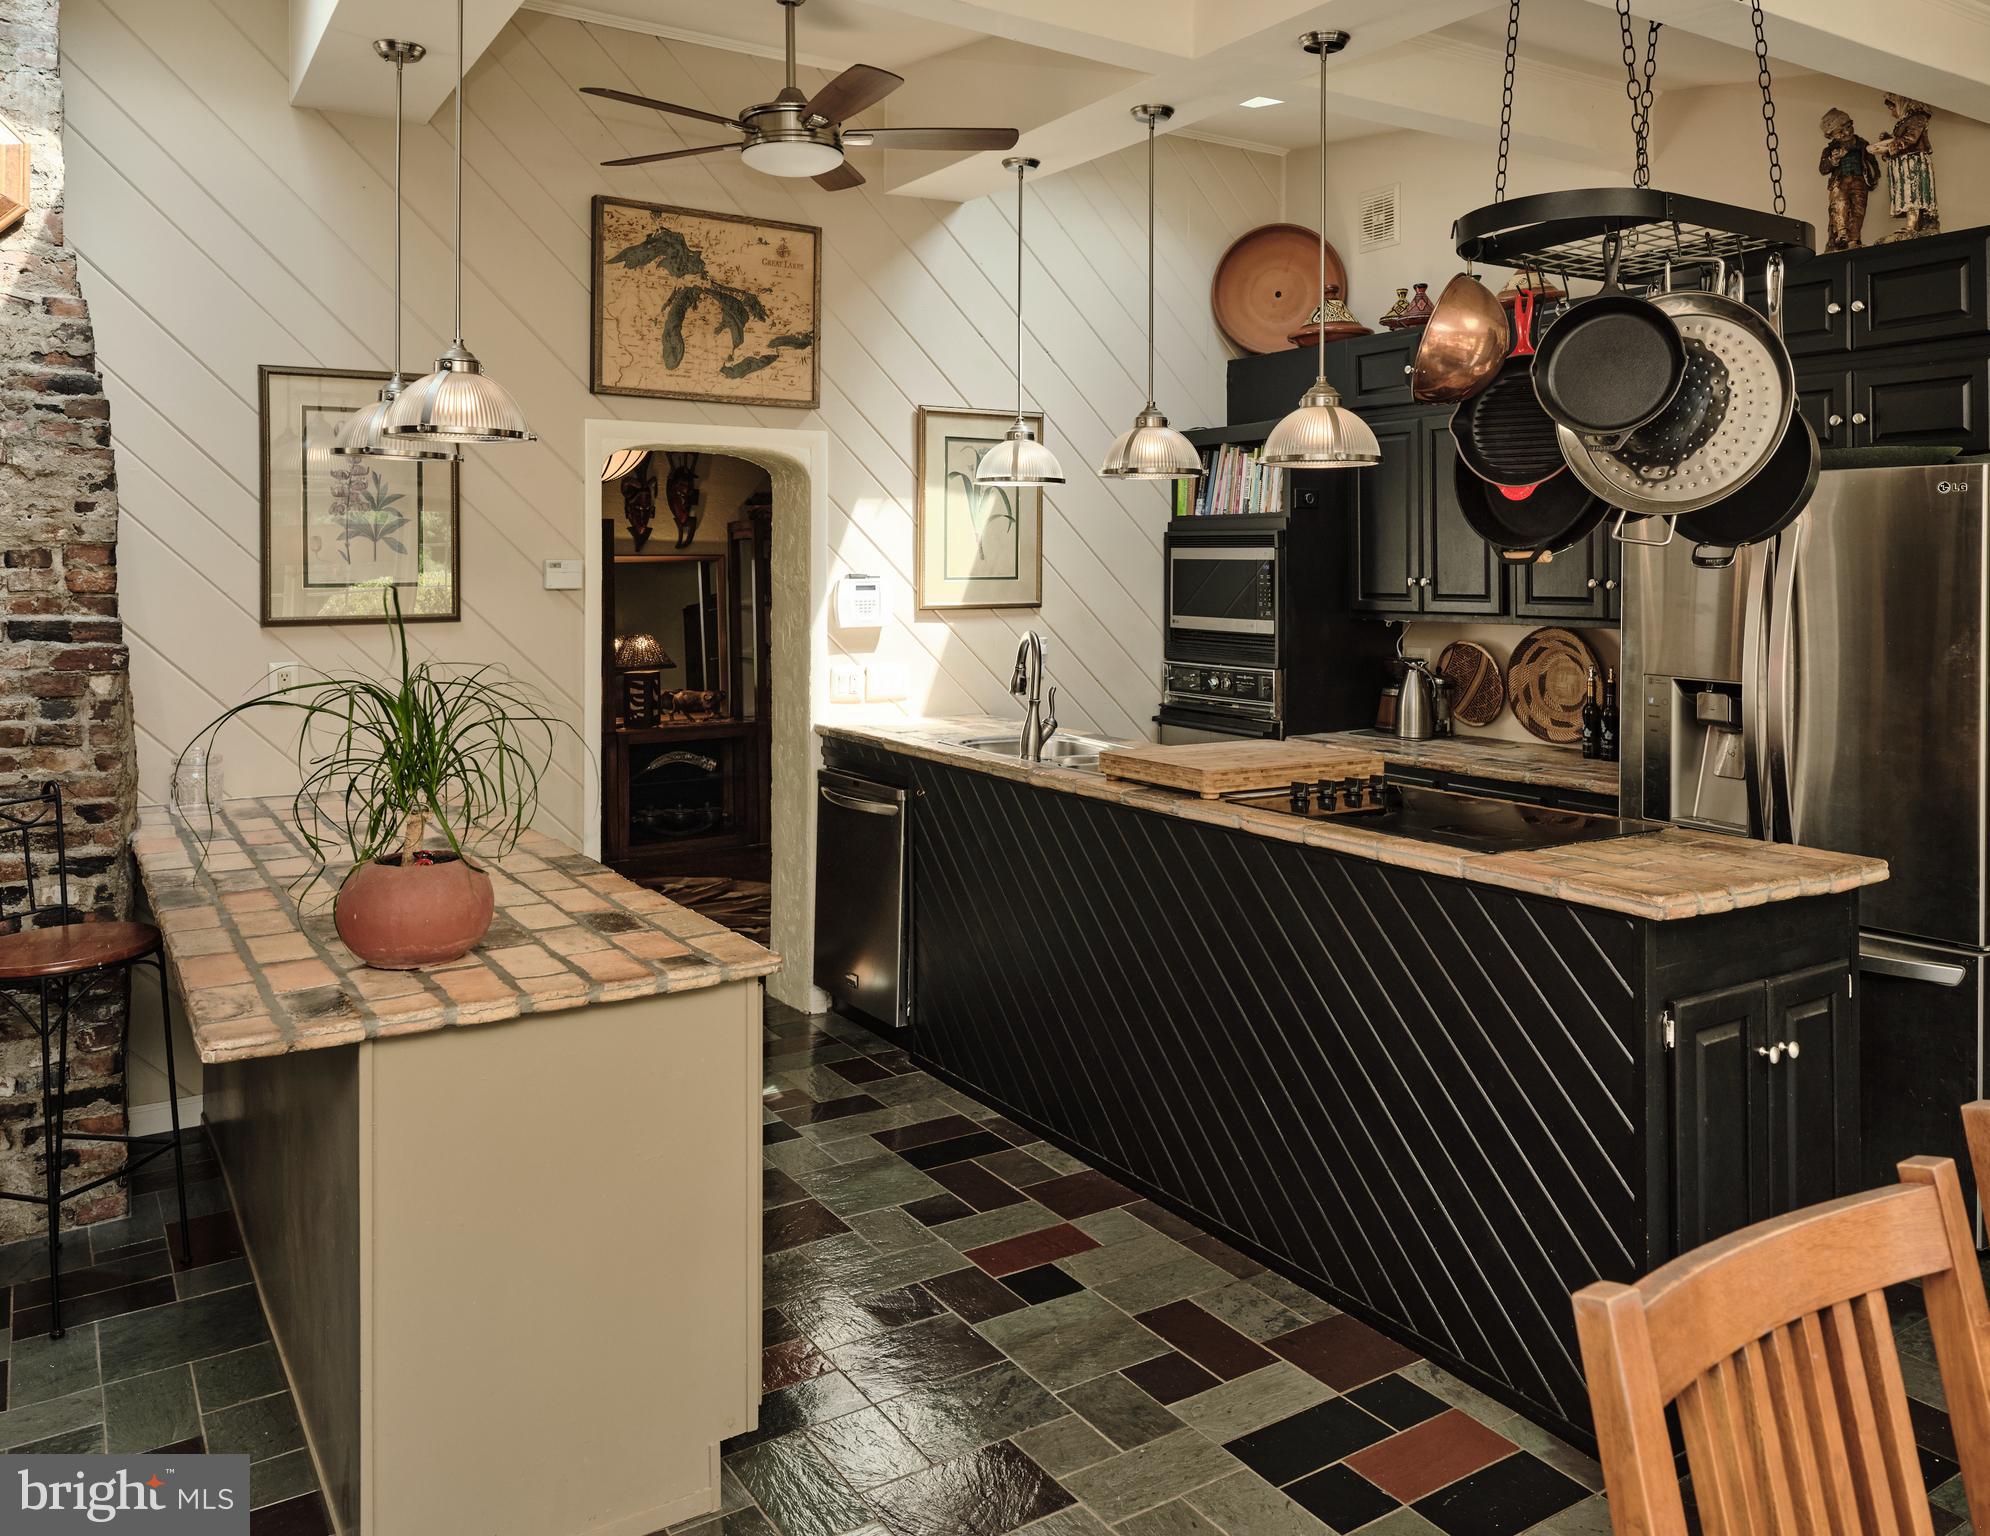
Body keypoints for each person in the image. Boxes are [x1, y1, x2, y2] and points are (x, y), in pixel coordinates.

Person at [1874, 94, 1940, 241]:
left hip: (1913, 163)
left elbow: (1910, 139)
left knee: (1914, 194)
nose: (1891, 112)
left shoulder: (1918, 118)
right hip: (1905, 163)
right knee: (1908, 193)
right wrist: (1887, 140)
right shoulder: (1906, 120)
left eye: (1892, 107)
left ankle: (1912, 227)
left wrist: (1888, 146)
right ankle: (1915, 226)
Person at [1818, 108, 1881, 251]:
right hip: (1840, 183)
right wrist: (1833, 160)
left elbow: (1873, 164)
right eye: (1840, 132)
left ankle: (1854, 239)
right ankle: (1841, 235)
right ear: (1831, 136)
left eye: (1848, 127)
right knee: (1840, 205)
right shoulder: (1830, 150)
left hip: (1859, 181)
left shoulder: (1862, 144)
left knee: (1859, 209)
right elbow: (1823, 168)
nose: (1846, 133)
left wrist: (1873, 176)